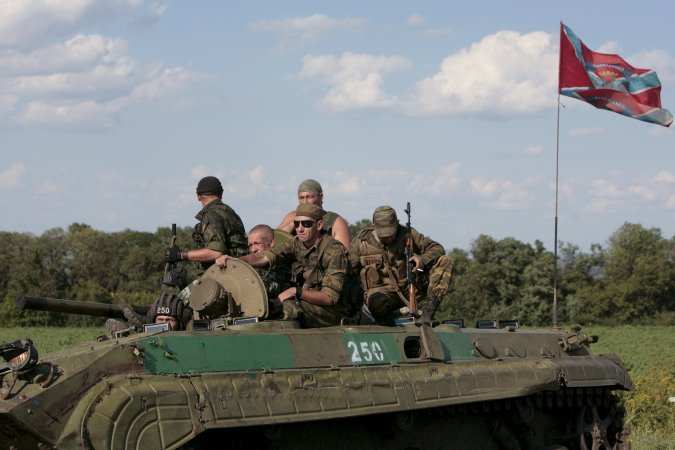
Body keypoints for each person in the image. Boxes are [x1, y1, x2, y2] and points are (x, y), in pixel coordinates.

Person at [217, 203, 348, 327]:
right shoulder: (295, 243)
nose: (300, 229)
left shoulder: (333, 251)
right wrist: (235, 260)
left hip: (333, 311)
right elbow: (265, 257)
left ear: (319, 225)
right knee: (268, 306)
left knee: (286, 308)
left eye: (306, 224)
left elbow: (329, 298)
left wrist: (296, 292)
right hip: (307, 302)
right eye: (296, 224)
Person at [348, 205, 453, 325]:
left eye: (391, 233)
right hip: (382, 295)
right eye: (384, 235)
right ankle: (393, 317)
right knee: (376, 302)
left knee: (445, 261)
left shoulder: (407, 234)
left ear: (396, 224)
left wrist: (422, 260)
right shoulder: (361, 242)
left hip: (411, 288)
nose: (388, 238)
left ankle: (427, 313)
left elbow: (437, 248)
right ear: (374, 226)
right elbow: (349, 273)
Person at [166, 176, 247, 270]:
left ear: (198, 196)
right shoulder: (230, 212)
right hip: (241, 269)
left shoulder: (211, 214)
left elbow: (215, 252)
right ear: (221, 194)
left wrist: (180, 255)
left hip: (227, 272)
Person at [277, 179, 351, 248]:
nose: (305, 202)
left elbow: (343, 253)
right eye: (302, 198)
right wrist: (293, 224)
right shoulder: (292, 217)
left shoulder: (335, 222)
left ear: (321, 197)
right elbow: (274, 242)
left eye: (309, 197)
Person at [247, 224, 292, 301]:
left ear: (271, 243)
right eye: (250, 245)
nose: (253, 249)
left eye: (257, 243)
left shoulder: (279, 261)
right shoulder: (253, 266)